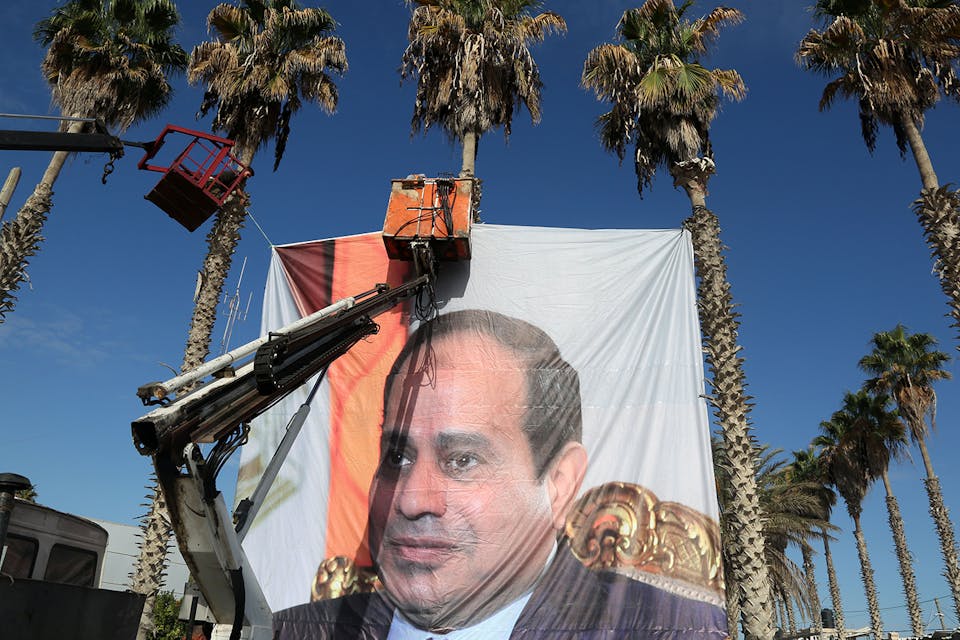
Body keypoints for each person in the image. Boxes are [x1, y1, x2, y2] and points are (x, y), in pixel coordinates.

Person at [274, 309, 727, 639]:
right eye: (397, 456)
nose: (411, 501)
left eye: (462, 460)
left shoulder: (673, 631)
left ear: (559, 483)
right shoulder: (287, 632)